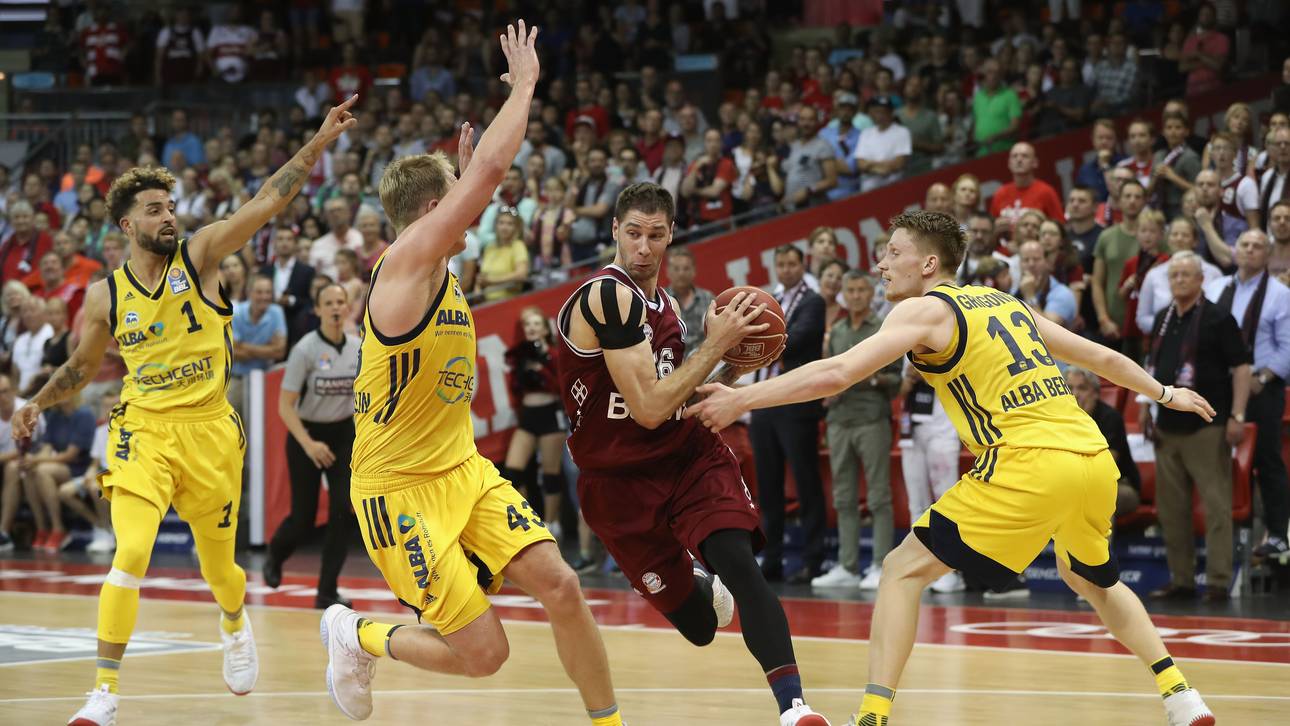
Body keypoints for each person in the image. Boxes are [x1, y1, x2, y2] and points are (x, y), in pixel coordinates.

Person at [688, 209, 1217, 726]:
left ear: (928, 264)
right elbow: (1099, 358)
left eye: (893, 252)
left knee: (900, 571)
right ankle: (1182, 697)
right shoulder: (1005, 303)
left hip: (1025, 462)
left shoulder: (925, 310)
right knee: (1092, 579)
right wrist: (1165, 392)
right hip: (1091, 457)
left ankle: (872, 717)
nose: (881, 264)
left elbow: (840, 371)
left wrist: (742, 400)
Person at [319, 24, 625, 726]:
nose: (476, 206)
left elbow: (474, 190)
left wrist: (461, 180)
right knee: (485, 654)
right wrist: (522, 88)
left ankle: (609, 721)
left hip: (461, 470)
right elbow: (487, 176)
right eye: (455, 200)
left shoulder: (440, 265)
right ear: (432, 213)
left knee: (562, 585)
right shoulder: (402, 267)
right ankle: (357, 634)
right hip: (398, 493)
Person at [13, 98, 355, 724]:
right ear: (125, 225)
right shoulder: (103, 297)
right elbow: (84, 370)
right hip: (142, 429)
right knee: (132, 553)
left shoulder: (199, 257)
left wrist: (318, 142)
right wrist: (36, 401)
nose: (168, 215)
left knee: (218, 566)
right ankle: (104, 693)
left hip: (210, 432)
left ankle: (233, 620)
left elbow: (267, 203)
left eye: (170, 206)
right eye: (154, 209)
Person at [556, 182, 830, 725]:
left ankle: (796, 709)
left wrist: (731, 368)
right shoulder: (606, 295)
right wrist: (716, 345)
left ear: (672, 236)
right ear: (614, 230)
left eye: (656, 235)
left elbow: (680, 393)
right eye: (633, 233)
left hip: (685, 457)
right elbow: (650, 406)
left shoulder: (671, 305)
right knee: (701, 627)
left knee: (743, 567)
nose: (643, 246)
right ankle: (701, 584)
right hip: (616, 482)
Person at [1142, 252, 1249, 604]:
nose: (1180, 281)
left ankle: (1218, 581)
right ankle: (1182, 580)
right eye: (1174, 276)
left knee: (1217, 505)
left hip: (1208, 425)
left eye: (1187, 275)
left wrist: (1236, 415)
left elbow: (1242, 368)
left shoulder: (1219, 317)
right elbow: (1151, 369)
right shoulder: (1162, 317)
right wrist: (1146, 410)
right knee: (1171, 510)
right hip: (1167, 427)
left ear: (1202, 279)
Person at [263, 283, 359, 610]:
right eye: (328, 303)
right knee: (303, 519)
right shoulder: (305, 349)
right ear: (317, 310)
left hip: (343, 433)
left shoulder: (358, 348)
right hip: (306, 433)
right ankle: (276, 555)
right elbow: (284, 406)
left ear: (347, 308)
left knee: (343, 512)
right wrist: (309, 444)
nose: (335, 308)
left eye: (340, 302)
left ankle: (327, 591)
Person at [1202, 230, 1290, 560]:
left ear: (1268, 256)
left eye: (1257, 247)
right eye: (1244, 245)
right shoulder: (1216, 288)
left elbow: (1288, 346)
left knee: (1267, 460)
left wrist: (1264, 376)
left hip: (1262, 386)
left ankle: (1278, 533)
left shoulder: (1280, 294)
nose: (1249, 250)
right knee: (1219, 460)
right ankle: (1224, 531)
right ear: (1234, 250)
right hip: (1220, 387)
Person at [812, 271, 899, 591]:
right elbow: (829, 372)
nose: (857, 295)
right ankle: (848, 564)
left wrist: (867, 378)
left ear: (870, 292)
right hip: (839, 421)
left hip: (871, 419)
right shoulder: (837, 331)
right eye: (851, 290)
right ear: (845, 295)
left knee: (878, 496)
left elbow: (896, 381)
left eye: (862, 289)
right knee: (843, 496)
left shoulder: (883, 328)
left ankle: (880, 563)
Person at [754, 245, 828, 583]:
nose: (785, 269)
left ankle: (814, 560)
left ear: (803, 265)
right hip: (764, 402)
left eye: (791, 263)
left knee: (806, 482)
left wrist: (765, 342)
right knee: (768, 487)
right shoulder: (770, 299)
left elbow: (799, 339)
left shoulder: (813, 300)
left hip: (796, 404)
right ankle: (771, 559)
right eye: (780, 264)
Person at [501, 306, 567, 542]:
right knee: (511, 472)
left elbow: (560, 387)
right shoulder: (518, 355)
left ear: (544, 329)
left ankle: (552, 524)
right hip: (528, 416)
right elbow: (514, 390)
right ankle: (526, 521)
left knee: (550, 473)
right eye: (528, 325)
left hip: (550, 415)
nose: (531, 328)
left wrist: (542, 369)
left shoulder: (554, 354)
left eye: (536, 324)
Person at [20, 389, 95, 553]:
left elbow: (71, 455)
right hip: (58, 463)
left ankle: (58, 527)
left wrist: (37, 460)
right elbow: (47, 446)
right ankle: (42, 528)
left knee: (42, 471)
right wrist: (31, 461)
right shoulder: (55, 415)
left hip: (80, 466)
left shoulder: (84, 414)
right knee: (29, 472)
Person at [1065, 366, 1142, 519]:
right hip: (1076, 484)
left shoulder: (1110, 418)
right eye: (1070, 388)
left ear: (1095, 393)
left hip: (1121, 485)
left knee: (1097, 497)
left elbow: (1105, 466)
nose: (1075, 394)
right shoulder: (1062, 419)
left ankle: (1096, 544)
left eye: (1082, 388)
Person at [1092, 180, 1147, 346]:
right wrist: (1103, 319)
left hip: (1146, 324)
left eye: (1137, 197)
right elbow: (1097, 282)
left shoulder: (1155, 237)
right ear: (1119, 200)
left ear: (1144, 202)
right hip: (1114, 324)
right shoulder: (1106, 236)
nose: (1132, 201)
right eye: (1127, 196)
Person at [989, 142, 1065, 228]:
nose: (1019, 160)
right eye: (1015, 156)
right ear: (1009, 163)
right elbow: (991, 229)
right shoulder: (1000, 193)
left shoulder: (1046, 192)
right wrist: (996, 226)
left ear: (1035, 162)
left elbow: (1060, 227)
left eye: (1025, 156)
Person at [664, 247, 714, 359]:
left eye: (686, 268)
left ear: (694, 271)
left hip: (706, 361)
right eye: (676, 269)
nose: (681, 273)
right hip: (673, 365)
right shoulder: (660, 301)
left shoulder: (707, 298)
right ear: (668, 271)